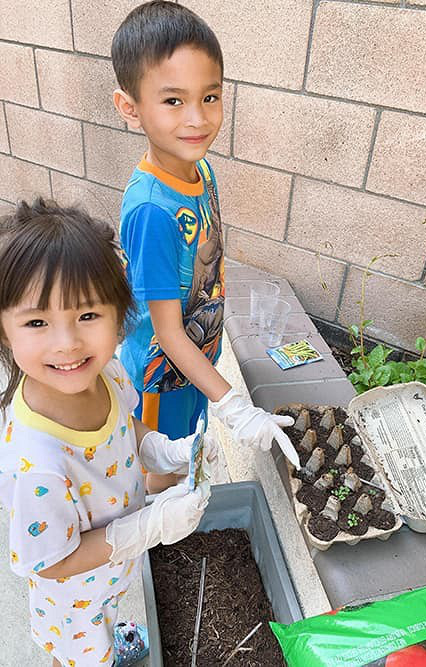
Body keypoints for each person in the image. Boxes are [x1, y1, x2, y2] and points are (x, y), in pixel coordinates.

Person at [0, 198, 213, 667]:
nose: (67, 343)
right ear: (4, 332)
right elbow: (53, 561)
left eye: (87, 316)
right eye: (37, 322)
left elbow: (124, 426)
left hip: (110, 571)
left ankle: (112, 636)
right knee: (81, 658)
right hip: (73, 598)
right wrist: (149, 527)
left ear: (120, 316)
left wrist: (163, 451)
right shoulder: (36, 465)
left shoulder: (109, 374)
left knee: (109, 618)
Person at [111, 1, 297, 493]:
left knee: (188, 450)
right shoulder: (152, 210)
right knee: (163, 467)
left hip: (197, 361)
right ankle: (155, 538)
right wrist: (233, 405)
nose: (197, 119)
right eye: (173, 101)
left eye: (210, 97)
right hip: (161, 376)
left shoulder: (202, 171)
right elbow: (169, 334)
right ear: (129, 108)